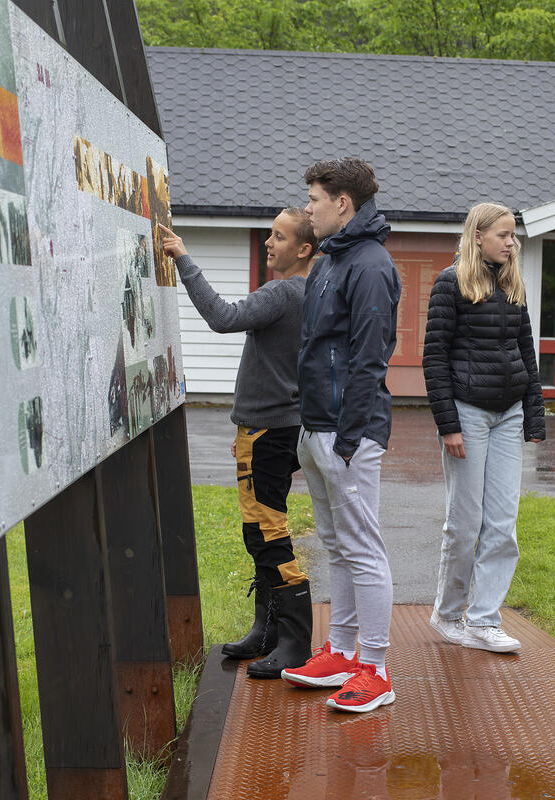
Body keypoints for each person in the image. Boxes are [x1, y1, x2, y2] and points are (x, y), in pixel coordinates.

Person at [158, 211, 317, 679]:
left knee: (266, 532)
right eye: (269, 233)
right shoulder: (313, 292)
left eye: (278, 236)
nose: (268, 242)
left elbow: (223, 318)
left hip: (269, 432)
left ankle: (294, 640)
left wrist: (184, 259)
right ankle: (266, 631)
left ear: (304, 249)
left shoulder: (283, 292)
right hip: (273, 428)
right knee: (262, 529)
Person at [279, 157, 401, 714]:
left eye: (314, 198)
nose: (308, 207)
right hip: (317, 427)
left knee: (363, 549)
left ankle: (375, 669)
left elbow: (370, 359)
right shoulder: (330, 260)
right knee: (337, 547)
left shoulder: (371, 264)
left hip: (348, 433)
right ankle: (344, 652)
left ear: (342, 203)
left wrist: (348, 440)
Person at [421, 202, 545, 654]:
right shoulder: (449, 283)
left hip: (509, 414)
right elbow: (433, 358)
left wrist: (533, 414)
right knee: (466, 521)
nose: (511, 243)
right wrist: (448, 424)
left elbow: (526, 353)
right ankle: (448, 614)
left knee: (502, 524)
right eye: (504, 235)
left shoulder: (513, 284)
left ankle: (484, 620)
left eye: (513, 236)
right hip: (467, 414)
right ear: (478, 236)